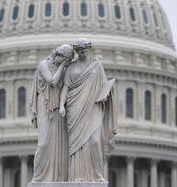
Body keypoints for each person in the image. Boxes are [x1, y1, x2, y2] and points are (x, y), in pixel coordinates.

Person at [59, 38, 117, 182]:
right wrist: (61, 105)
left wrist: (108, 93)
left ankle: (97, 175)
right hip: (75, 108)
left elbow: (104, 85)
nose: (83, 52)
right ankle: (76, 176)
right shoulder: (71, 68)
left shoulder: (96, 66)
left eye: (85, 50)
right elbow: (65, 87)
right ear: (77, 51)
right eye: (80, 50)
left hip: (94, 107)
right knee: (76, 146)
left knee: (95, 142)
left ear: (88, 49)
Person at [30, 44, 74, 182]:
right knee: (43, 144)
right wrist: (63, 66)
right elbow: (52, 81)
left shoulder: (65, 68)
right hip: (45, 105)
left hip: (58, 109)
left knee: (59, 145)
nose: (66, 63)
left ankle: (58, 178)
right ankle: (38, 178)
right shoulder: (44, 64)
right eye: (65, 60)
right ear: (59, 55)